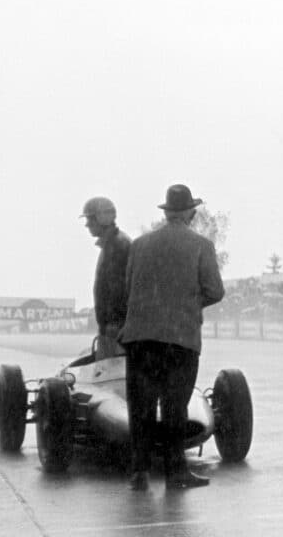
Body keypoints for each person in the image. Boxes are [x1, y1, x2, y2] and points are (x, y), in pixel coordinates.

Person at [119, 184, 225, 491]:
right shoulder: (201, 246)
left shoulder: (139, 245)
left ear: (167, 213)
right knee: (175, 407)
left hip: (140, 337)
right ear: (190, 213)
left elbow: (129, 288)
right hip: (179, 339)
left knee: (141, 407)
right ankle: (175, 472)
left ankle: (138, 472)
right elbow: (215, 291)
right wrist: (186, 304)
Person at [80, 197, 131, 359]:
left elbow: (117, 290)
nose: (87, 224)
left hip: (114, 329)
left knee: (108, 377)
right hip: (113, 327)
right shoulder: (114, 244)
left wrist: (113, 324)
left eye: (90, 218)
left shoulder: (117, 246)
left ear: (102, 218)